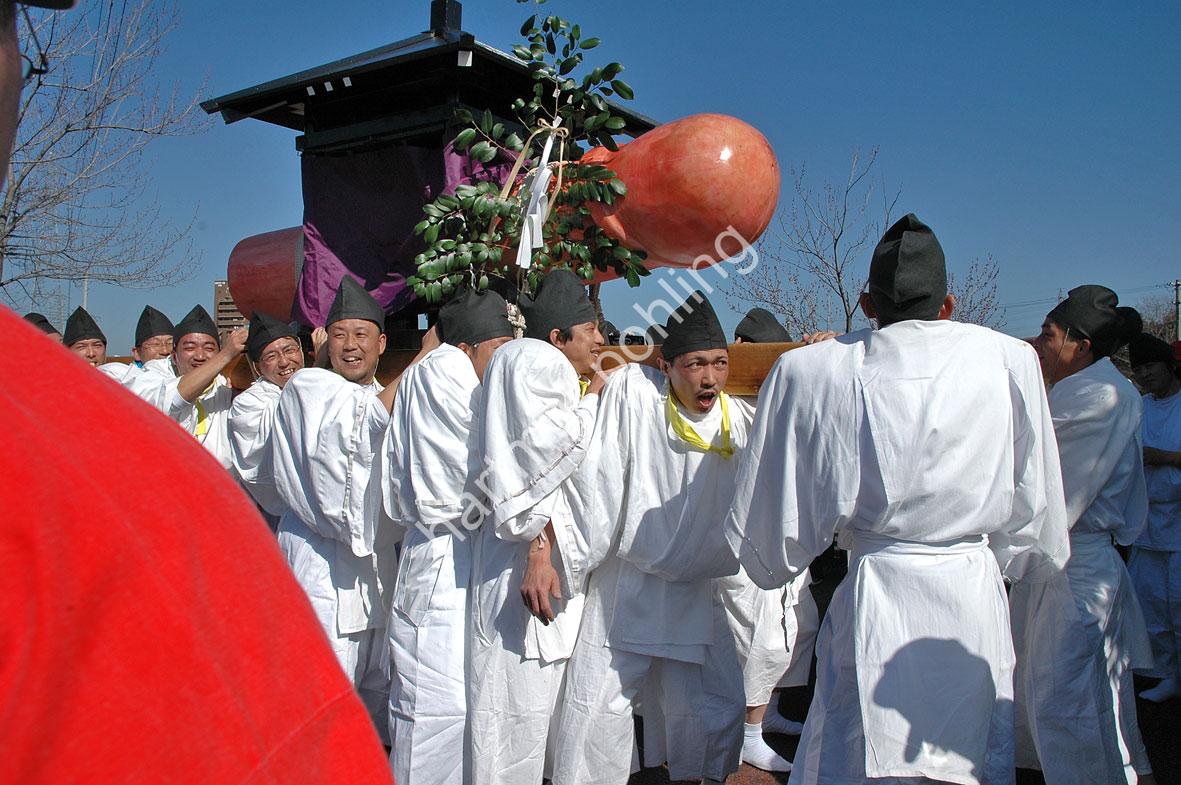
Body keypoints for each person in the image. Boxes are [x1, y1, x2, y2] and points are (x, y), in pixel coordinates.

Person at [0, 3, 392, 782]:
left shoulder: (363, 393)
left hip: (367, 573)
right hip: (306, 562)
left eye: (362, 339)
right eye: (319, 343)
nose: (335, 351)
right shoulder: (231, 410)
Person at [726, 214, 1069, 785]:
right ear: (949, 303)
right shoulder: (1011, 358)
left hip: (880, 583)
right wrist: (1010, 558)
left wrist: (786, 552)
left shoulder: (814, 368)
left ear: (865, 302)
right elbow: (1036, 494)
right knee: (966, 749)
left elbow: (773, 524)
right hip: (968, 589)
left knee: (860, 745)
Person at [552, 291, 747, 785]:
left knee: (712, 701)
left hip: (696, 590)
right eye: (696, 363)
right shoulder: (635, 396)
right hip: (629, 582)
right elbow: (594, 475)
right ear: (666, 365)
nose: (709, 377)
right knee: (598, 700)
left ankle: (701, 777)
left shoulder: (737, 418)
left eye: (720, 363)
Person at [1010, 286, 1155, 785]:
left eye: (1048, 336)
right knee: (1060, 689)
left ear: (1081, 345)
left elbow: (1044, 484)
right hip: (1062, 564)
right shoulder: (1084, 387)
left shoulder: (1100, 395)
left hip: (1079, 566)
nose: (1039, 344)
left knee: (1066, 697)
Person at [470, 269, 608, 785]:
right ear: (557, 336)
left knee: (512, 710)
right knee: (519, 713)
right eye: (589, 329)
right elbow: (538, 458)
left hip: (512, 552)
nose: (600, 339)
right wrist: (539, 549)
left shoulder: (515, 361)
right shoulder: (537, 362)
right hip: (528, 561)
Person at [381, 287, 515, 785]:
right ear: (465, 348)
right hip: (442, 555)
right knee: (433, 702)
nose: (504, 360)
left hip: (451, 551)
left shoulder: (428, 372)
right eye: (497, 348)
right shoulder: (445, 374)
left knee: (455, 695)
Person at [271, 276, 396, 743]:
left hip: (374, 574)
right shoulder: (309, 388)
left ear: (381, 342)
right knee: (322, 696)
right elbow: (357, 428)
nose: (350, 346)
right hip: (320, 566)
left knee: (374, 698)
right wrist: (431, 358)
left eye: (361, 335)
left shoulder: (381, 393)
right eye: (339, 334)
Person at [719, 307, 817, 771]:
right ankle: (748, 733)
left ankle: (771, 711)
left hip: (786, 531)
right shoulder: (724, 400)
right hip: (744, 539)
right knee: (757, 639)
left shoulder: (780, 396)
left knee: (797, 628)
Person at [126, 304, 245, 469]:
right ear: (174, 357)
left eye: (209, 348)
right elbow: (174, 398)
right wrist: (226, 354)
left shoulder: (225, 384)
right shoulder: (150, 377)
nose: (200, 356)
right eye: (190, 348)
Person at [1128, 333, 1181, 703]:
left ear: (1169, 365)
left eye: (1150, 365)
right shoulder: (1139, 406)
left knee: (1178, 602)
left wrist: (1167, 457)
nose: (1144, 374)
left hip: (1178, 519)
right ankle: (1165, 673)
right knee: (1153, 604)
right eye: (1138, 368)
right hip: (1149, 521)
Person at [227, 311, 305, 521]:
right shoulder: (248, 403)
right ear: (257, 367)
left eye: (289, 350)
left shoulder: (316, 383)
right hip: (281, 515)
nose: (284, 362)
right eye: (271, 356)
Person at [97, 304, 174, 384]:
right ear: (137, 353)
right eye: (155, 344)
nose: (165, 351)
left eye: (170, 343)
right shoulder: (122, 376)